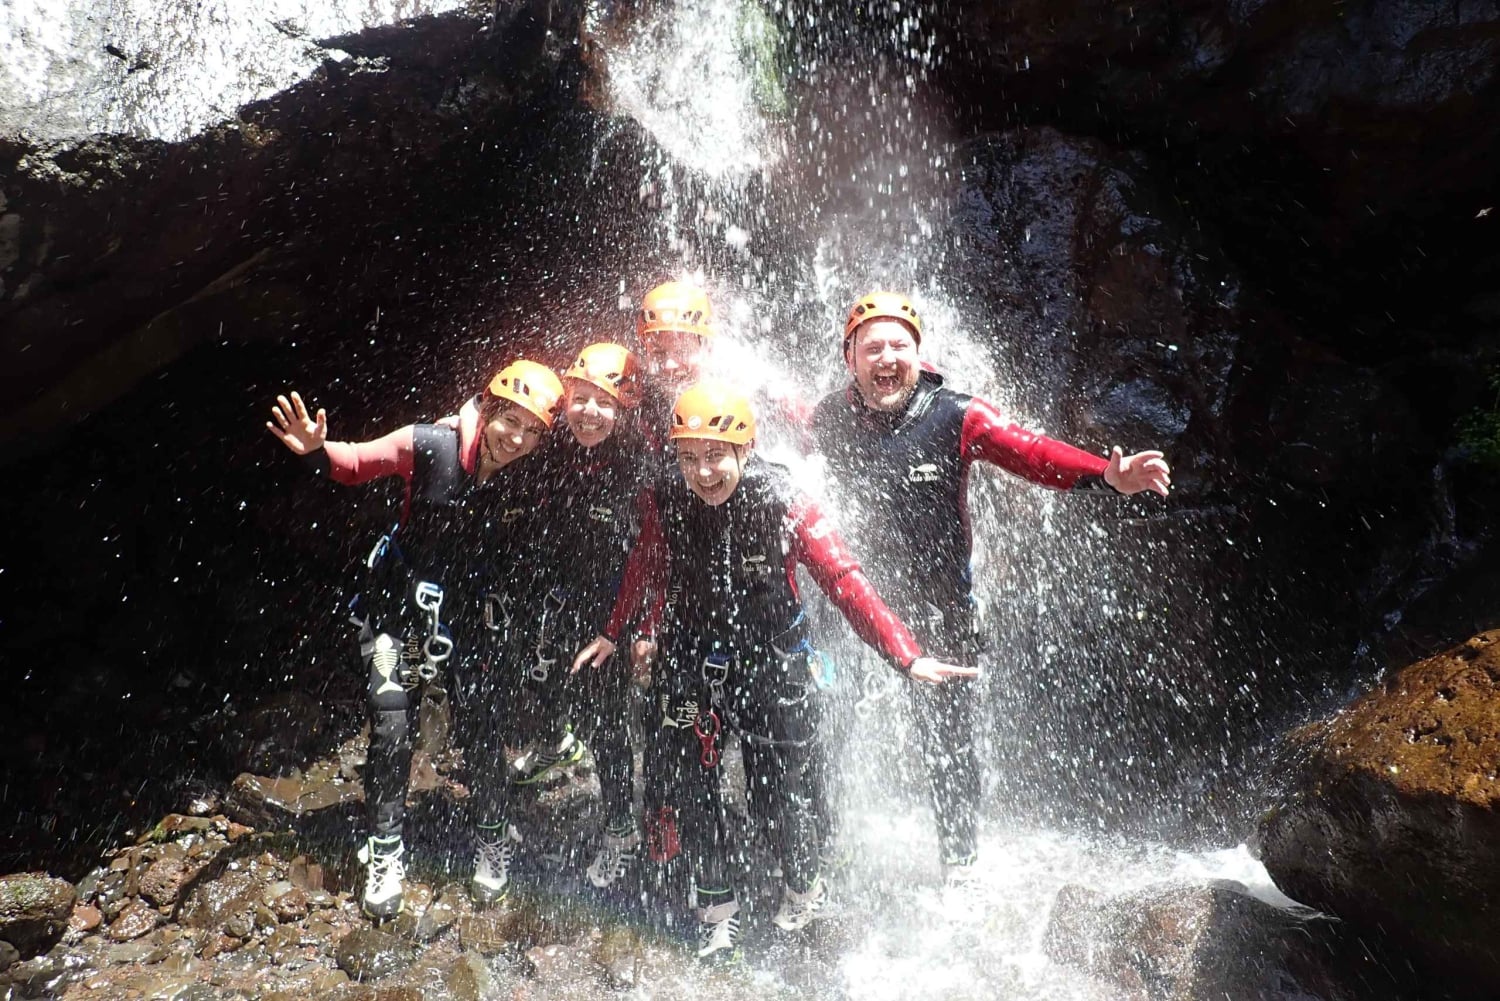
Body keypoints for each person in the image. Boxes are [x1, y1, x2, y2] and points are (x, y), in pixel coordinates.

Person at [577, 382, 974, 960]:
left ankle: (802, 880)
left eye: (715, 455)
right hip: (693, 654)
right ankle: (718, 906)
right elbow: (647, 561)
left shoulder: (787, 500)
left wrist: (903, 654)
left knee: (777, 795)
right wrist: (621, 631)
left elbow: (843, 580)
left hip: (773, 656)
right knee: (692, 786)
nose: (703, 472)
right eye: (689, 456)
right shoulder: (665, 495)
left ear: (746, 448)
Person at [808, 291, 1172, 893]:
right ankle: (833, 855)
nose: (888, 356)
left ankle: (959, 862)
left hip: (940, 609)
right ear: (849, 357)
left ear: (920, 355)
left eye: (900, 344)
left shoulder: (955, 415)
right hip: (853, 604)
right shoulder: (826, 420)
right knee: (826, 721)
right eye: (873, 346)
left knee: (947, 744)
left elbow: (1028, 451)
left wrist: (1104, 474)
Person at [264, 359, 564, 920]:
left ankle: (492, 842)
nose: (516, 438)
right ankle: (385, 852)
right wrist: (313, 449)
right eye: (509, 421)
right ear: (489, 410)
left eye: (531, 430)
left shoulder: (535, 474)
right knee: (391, 725)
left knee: (482, 728)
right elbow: (354, 463)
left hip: (474, 618)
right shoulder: (430, 445)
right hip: (396, 611)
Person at [472, 343, 654, 898]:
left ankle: (623, 831)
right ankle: (555, 748)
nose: (590, 412)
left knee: (607, 723)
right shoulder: (550, 447)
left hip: (607, 617)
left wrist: (624, 630)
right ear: (565, 398)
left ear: (623, 407)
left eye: (604, 402)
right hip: (550, 601)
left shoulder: (639, 463)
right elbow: (491, 427)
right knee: (538, 685)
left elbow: (650, 554)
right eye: (581, 398)